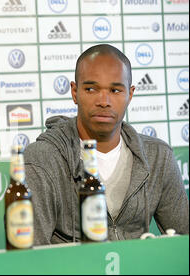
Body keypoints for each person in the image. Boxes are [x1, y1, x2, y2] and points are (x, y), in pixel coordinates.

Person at [24, 44, 189, 245]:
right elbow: (30, 256)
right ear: (75, 92)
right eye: (91, 89)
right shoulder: (42, 159)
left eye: (115, 90)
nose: (104, 101)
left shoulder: (158, 156)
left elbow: (184, 241)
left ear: (130, 94)